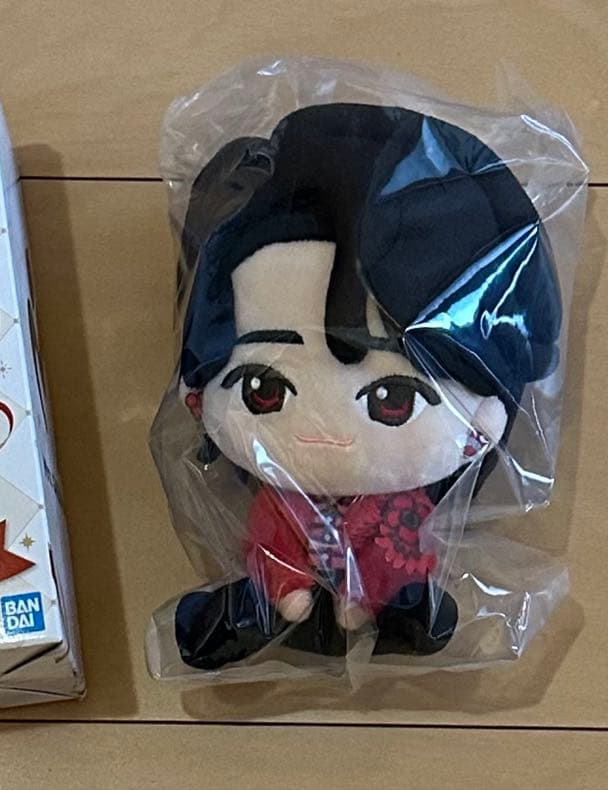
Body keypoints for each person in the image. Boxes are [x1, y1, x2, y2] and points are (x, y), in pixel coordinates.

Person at [166, 104, 562, 668]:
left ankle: (370, 606)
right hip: (290, 553)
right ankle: (279, 602)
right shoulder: (281, 499)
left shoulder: (402, 504)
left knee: (391, 562)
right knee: (277, 544)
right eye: (263, 390)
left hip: (380, 565)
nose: (329, 434)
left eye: (393, 400)